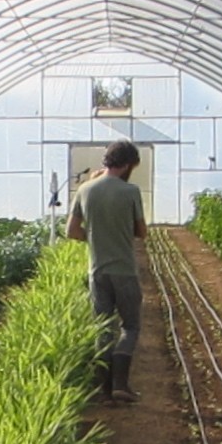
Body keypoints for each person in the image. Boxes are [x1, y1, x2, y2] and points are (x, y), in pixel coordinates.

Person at [67, 139, 148, 403]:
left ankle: (103, 388)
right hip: (124, 269)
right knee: (131, 326)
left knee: (102, 326)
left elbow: (72, 231)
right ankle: (120, 384)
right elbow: (142, 232)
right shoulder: (130, 191)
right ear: (126, 165)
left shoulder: (85, 190)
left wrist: (95, 238)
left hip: (97, 270)